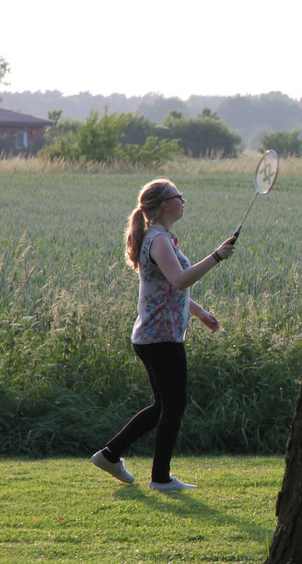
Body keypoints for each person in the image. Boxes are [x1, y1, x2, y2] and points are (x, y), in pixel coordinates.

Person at [91, 179, 237, 492]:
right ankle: (160, 478)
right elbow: (180, 280)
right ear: (165, 205)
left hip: (155, 334)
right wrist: (217, 256)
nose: (183, 200)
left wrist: (198, 313)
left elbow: (167, 285)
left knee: (163, 406)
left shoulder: (161, 238)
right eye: (177, 196)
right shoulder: (158, 240)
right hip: (160, 336)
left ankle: (110, 455)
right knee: (175, 405)